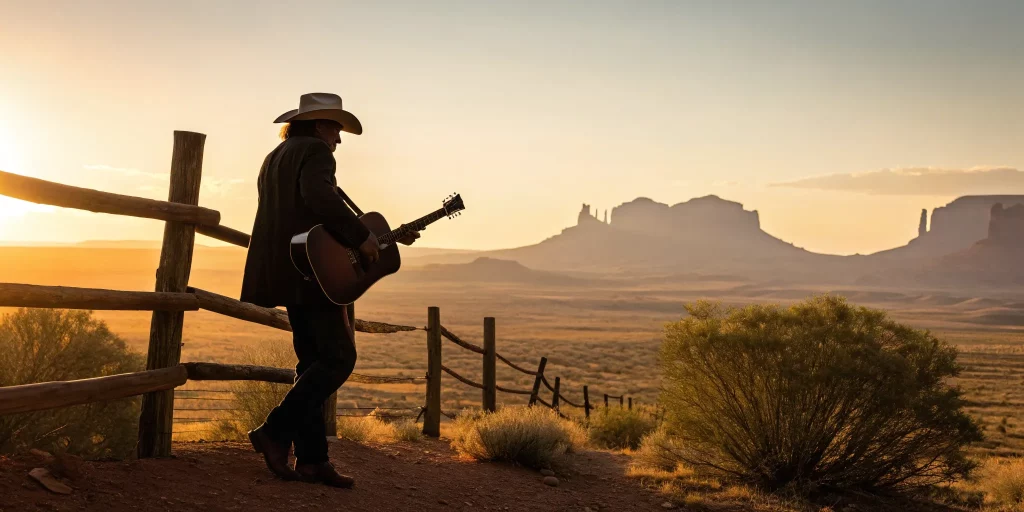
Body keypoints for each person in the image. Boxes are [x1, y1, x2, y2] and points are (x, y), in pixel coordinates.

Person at [240, 92, 419, 488]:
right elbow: (318, 199)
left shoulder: (277, 155)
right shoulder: (318, 153)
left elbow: (300, 215)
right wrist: (361, 235)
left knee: (310, 365)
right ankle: (273, 430)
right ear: (321, 125)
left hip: (287, 270)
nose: (338, 139)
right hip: (312, 274)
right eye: (336, 129)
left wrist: (376, 239)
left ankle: (312, 461)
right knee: (339, 358)